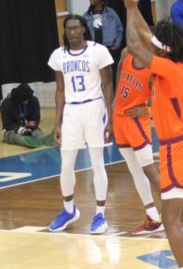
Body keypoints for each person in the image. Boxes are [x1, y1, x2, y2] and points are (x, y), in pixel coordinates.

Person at [108, 0, 183, 269]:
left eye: (157, 44)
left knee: (170, 220)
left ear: (163, 49)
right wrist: (132, 7)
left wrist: (129, 8)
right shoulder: (172, 60)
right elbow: (145, 35)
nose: (152, 44)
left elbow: (135, 44)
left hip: (178, 148)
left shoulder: (169, 68)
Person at [47, 14, 114, 235]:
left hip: (94, 108)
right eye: (69, 29)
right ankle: (68, 210)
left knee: (97, 164)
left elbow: (108, 86)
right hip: (71, 111)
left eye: (76, 28)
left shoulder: (98, 51)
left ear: (84, 29)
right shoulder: (58, 55)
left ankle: (100, 214)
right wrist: (57, 123)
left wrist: (111, 119)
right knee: (66, 165)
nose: (73, 32)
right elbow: (60, 90)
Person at [113, 47, 162, 235]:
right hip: (119, 118)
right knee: (134, 169)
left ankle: (174, 217)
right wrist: (115, 97)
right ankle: (152, 216)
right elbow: (119, 67)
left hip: (136, 121)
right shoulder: (127, 53)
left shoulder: (156, 67)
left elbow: (167, 99)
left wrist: (148, 110)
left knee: (149, 169)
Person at [83, 0, 123, 77]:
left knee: (111, 77)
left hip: (109, 51)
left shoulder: (111, 13)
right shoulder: (86, 16)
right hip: (93, 52)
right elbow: (83, 35)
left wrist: (116, 45)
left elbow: (119, 30)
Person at [0, 83, 54, 148]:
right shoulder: (6, 104)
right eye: (24, 100)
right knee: (15, 137)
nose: (27, 102)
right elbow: (7, 125)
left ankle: (46, 139)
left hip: (29, 128)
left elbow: (36, 118)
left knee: (38, 133)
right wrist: (24, 125)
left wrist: (34, 124)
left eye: (28, 99)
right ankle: (26, 141)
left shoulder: (33, 100)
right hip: (12, 130)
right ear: (18, 98)